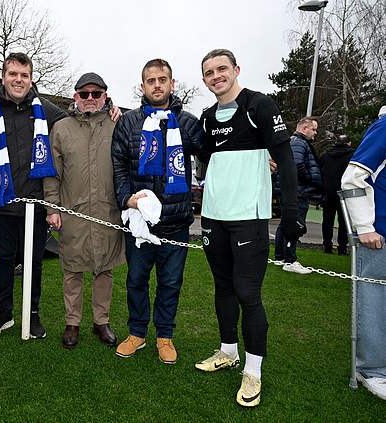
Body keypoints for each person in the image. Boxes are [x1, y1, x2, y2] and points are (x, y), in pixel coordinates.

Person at [194, 49, 305, 407]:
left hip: (249, 217)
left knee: (247, 291)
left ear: (236, 70)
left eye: (222, 69)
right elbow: (203, 156)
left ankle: (253, 370)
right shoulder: (208, 117)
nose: (216, 76)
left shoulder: (260, 106)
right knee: (223, 286)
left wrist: (290, 210)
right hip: (212, 215)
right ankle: (228, 351)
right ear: (204, 79)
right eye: (209, 72)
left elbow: (285, 158)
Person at [0, 52, 67, 339]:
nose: (18, 80)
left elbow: (77, 125)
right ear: (3, 77)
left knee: (34, 261)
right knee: (4, 260)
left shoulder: (46, 109)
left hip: (35, 205)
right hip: (0, 203)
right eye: (13, 74)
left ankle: (32, 315)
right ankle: (4, 313)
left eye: (24, 75)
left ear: (31, 78)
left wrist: (110, 111)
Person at [111, 58, 205, 364]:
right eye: (150, 81)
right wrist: (127, 199)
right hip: (139, 223)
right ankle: (137, 333)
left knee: (170, 282)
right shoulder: (128, 122)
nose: (157, 85)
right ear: (142, 86)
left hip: (176, 221)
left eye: (162, 79)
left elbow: (212, 157)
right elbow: (119, 167)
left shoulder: (189, 123)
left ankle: (164, 335)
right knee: (136, 279)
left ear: (172, 84)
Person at [44, 72, 125, 349]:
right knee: (72, 269)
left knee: (105, 269)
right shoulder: (61, 128)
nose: (90, 99)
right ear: (75, 96)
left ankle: (101, 321)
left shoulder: (119, 124)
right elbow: (52, 173)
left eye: (96, 93)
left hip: (107, 211)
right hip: (73, 210)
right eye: (85, 94)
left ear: (105, 95)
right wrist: (52, 207)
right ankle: (72, 322)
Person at [340, 105, 386, 401]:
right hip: (380, 234)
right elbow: (353, 177)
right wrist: (364, 226)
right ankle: (372, 369)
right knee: (374, 297)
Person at [274, 116, 323, 274]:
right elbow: (296, 164)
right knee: (294, 224)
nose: (315, 133)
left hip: (292, 189)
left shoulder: (295, 142)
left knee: (285, 222)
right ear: (304, 128)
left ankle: (280, 256)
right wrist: (310, 178)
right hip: (296, 191)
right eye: (313, 129)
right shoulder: (299, 143)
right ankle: (290, 259)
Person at [320, 134, 354, 255]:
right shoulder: (352, 155)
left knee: (327, 220)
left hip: (328, 191)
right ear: (348, 143)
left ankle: (327, 246)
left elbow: (320, 171)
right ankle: (342, 247)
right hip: (344, 192)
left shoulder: (325, 154)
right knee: (343, 221)